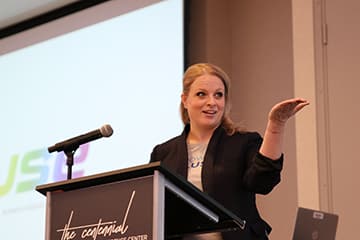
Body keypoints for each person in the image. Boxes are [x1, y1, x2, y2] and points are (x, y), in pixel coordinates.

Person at [149, 63, 309, 240]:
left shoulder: (243, 142)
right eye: (201, 94)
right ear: (185, 100)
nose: (212, 102)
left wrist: (276, 125)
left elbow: (262, 182)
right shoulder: (163, 153)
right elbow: (152, 210)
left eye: (219, 95)